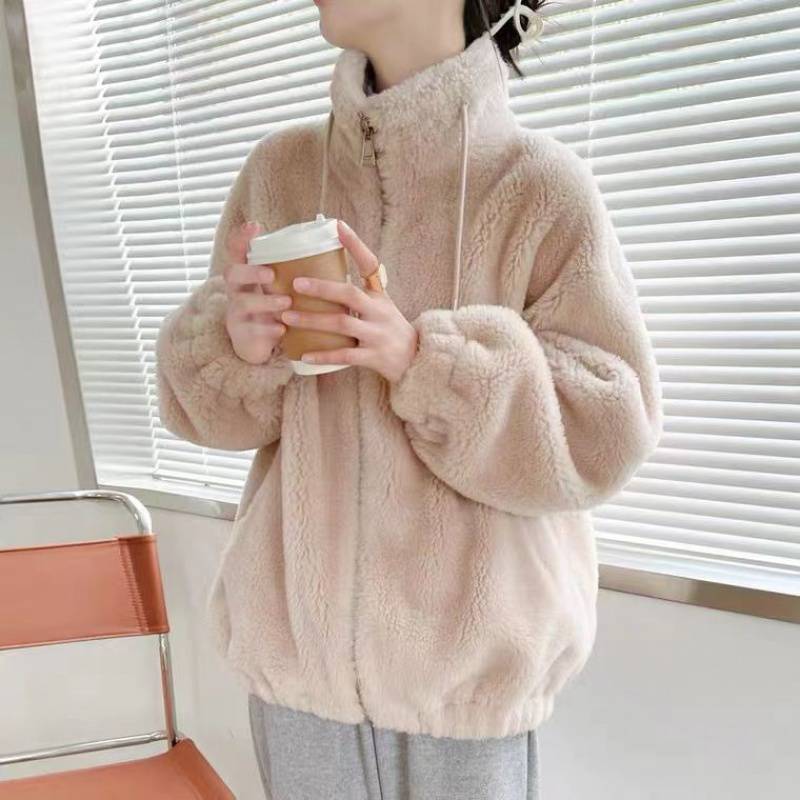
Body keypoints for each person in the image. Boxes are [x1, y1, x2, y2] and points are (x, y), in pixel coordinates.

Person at [154, 0, 663, 797]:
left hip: (466, 690)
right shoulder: (281, 173)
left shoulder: (539, 188)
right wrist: (235, 345)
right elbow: (204, 414)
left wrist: (424, 360)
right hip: (299, 680)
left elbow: (605, 428)